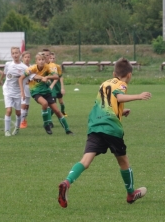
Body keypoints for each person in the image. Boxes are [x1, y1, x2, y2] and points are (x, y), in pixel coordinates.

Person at [58, 57, 152, 208]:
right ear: (129, 75)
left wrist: (121, 111)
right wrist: (138, 96)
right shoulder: (122, 84)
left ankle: (67, 181)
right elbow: (118, 96)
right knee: (123, 161)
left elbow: (107, 102)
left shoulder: (104, 83)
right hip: (111, 128)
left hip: (95, 124)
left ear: (114, 72)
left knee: (85, 161)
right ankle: (130, 194)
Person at [18, 52, 73, 135]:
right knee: (45, 103)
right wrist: (22, 92)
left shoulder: (47, 67)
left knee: (57, 111)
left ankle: (67, 130)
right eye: (39, 60)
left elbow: (56, 76)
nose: (41, 61)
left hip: (47, 91)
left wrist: (47, 77)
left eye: (43, 59)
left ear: (45, 60)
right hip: (36, 92)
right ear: (36, 61)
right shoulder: (31, 69)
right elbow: (20, 78)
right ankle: (46, 124)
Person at [0, 47, 28, 136]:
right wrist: (1, 80)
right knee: (8, 110)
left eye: (16, 53)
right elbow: (5, 73)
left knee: (18, 112)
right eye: (13, 53)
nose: (15, 55)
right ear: (11, 55)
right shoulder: (8, 64)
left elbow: (30, 76)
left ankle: (17, 128)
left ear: (20, 54)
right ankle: (7, 131)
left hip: (17, 92)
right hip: (7, 90)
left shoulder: (24, 67)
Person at [49, 51, 67, 116]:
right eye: (51, 58)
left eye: (53, 58)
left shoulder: (58, 66)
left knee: (61, 101)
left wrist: (62, 88)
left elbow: (60, 77)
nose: (52, 60)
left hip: (57, 86)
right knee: (53, 102)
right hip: (51, 87)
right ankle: (49, 117)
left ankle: (63, 111)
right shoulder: (47, 66)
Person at [20, 51, 32, 128]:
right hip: (22, 88)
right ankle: (21, 122)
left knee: (27, 106)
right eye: (25, 57)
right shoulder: (20, 67)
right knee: (23, 105)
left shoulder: (32, 67)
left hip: (29, 88)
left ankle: (24, 119)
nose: (27, 59)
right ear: (22, 58)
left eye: (28, 57)